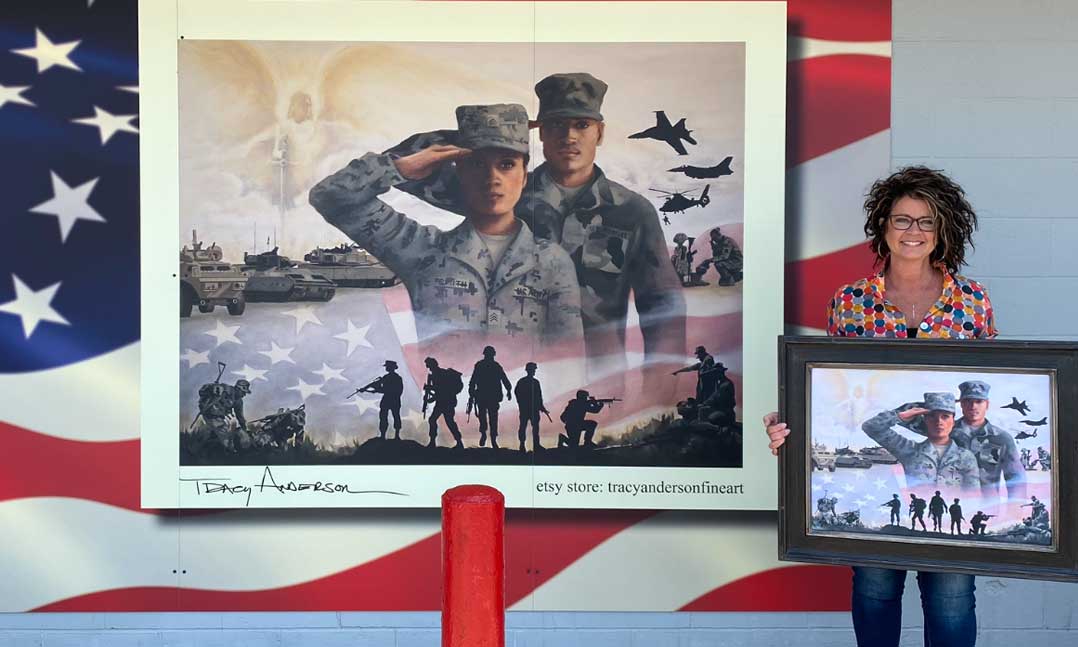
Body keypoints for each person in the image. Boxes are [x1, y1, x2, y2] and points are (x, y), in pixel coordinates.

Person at [765, 166, 997, 647]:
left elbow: (987, 389)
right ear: (883, 227)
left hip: (956, 481)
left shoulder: (972, 301)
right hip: (878, 489)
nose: (913, 232)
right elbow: (828, 390)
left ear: (943, 230)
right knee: (875, 587)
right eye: (902, 219)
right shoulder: (850, 301)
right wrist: (790, 422)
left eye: (926, 221)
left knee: (952, 593)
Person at [386, 73, 686, 375]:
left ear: (600, 133)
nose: (568, 136)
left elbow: (662, 307)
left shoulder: (632, 211)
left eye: (581, 125)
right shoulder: (498, 192)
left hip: (600, 380)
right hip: (514, 376)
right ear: (539, 133)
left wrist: (660, 390)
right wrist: (487, 135)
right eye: (555, 125)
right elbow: (400, 162)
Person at [308, 103, 583, 345]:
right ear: (458, 173)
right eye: (476, 164)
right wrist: (399, 168)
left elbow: (568, 362)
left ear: (524, 177)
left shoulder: (551, 261)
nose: (493, 178)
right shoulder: (421, 251)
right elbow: (330, 197)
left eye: (507, 165)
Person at [899, 380, 1025, 498]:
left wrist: (1014, 511)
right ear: (960, 404)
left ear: (987, 404)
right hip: (950, 503)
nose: (973, 406)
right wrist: (939, 404)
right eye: (968, 401)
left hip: (987, 509)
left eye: (979, 401)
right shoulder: (943, 429)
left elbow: (1016, 478)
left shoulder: (1001, 438)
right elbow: (900, 415)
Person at [860, 393, 980, 489]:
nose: (939, 422)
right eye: (932, 416)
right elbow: (871, 427)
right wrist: (900, 416)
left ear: (953, 422)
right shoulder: (908, 451)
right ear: (925, 420)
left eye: (945, 416)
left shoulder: (965, 457)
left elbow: (973, 497)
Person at [468, 345, 512, 449]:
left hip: (490, 396)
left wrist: (509, 390)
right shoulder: (483, 365)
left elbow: (504, 378)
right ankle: (485, 434)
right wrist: (471, 391)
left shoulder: (494, 366)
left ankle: (492, 439)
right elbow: (473, 379)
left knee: (492, 419)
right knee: (486, 418)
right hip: (485, 396)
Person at [196, 378, 252, 452]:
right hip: (211, 413)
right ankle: (231, 453)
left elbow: (240, 416)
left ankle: (205, 448)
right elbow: (203, 390)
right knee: (224, 435)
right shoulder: (226, 389)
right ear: (238, 389)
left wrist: (244, 429)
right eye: (243, 392)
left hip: (219, 417)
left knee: (214, 434)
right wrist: (213, 388)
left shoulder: (238, 401)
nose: (244, 395)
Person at [422, 357, 464, 449]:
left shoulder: (440, 374)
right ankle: (433, 442)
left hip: (446, 401)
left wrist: (430, 389)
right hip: (442, 401)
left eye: (428, 365)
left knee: (447, 422)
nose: (427, 367)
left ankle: (459, 442)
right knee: (435, 420)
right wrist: (430, 395)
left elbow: (441, 389)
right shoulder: (435, 374)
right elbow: (438, 392)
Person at [514, 362, 550, 452]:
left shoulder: (534, 382)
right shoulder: (526, 382)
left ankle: (535, 446)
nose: (534, 371)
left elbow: (538, 397)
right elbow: (518, 394)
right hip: (526, 409)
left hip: (531, 409)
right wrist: (522, 403)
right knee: (524, 427)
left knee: (533, 428)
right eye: (533, 369)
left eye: (534, 370)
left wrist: (542, 408)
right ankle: (523, 445)